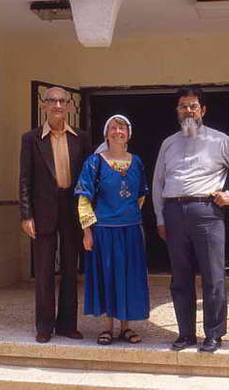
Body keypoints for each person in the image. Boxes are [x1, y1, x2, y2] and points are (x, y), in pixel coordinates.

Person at [152, 86, 229, 353]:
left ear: (203, 110)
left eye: (193, 106)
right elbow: (158, 183)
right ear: (177, 111)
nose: (188, 111)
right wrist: (160, 218)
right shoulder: (168, 143)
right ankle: (186, 334)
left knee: (213, 276)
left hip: (207, 213)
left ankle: (213, 334)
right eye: (183, 106)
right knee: (180, 278)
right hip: (174, 213)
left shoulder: (220, 141)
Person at [19, 86, 91, 343]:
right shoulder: (31, 139)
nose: (57, 105)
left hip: (71, 209)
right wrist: (26, 215)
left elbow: (88, 178)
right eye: (52, 101)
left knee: (71, 269)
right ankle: (44, 326)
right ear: (43, 105)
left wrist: (88, 217)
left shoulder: (81, 138)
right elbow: (25, 179)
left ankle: (67, 325)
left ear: (69, 106)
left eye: (62, 101)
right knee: (44, 269)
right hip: (43, 210)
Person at [74, 114, 150, 345]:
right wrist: (87, 231)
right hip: (104, 231)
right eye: (114, 128)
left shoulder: (136, 162)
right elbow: (83, 199)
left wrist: (130, 217)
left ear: (128, 134)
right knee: (108, 277)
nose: (118, 132)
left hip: (130, 231)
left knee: (128, 278)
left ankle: (126, 327)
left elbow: (140, 196)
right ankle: (107, 327)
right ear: (106, 133)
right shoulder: (94, 162)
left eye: (123, 128)